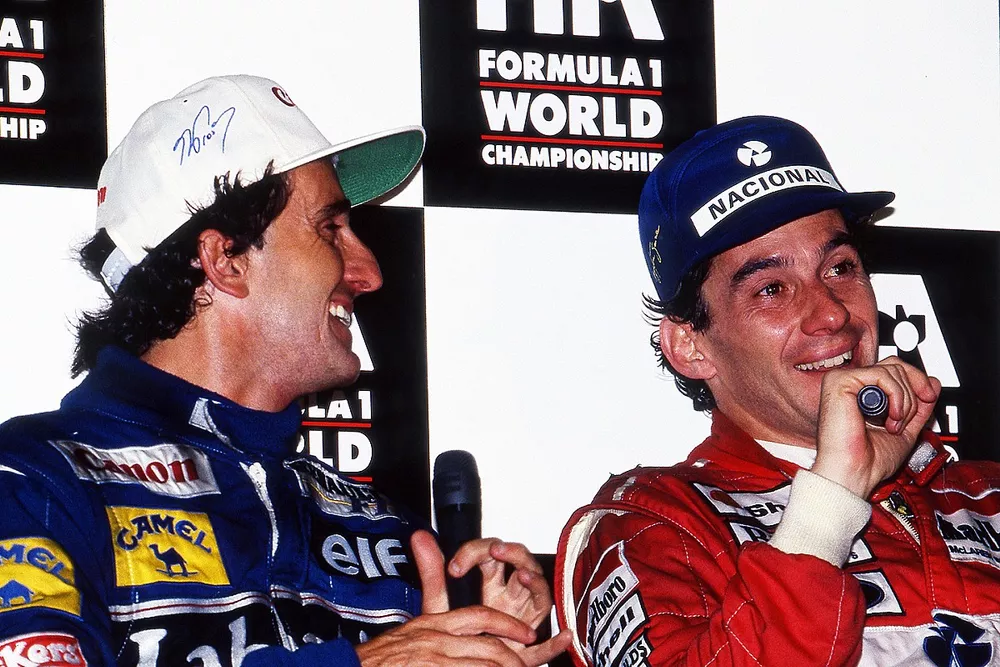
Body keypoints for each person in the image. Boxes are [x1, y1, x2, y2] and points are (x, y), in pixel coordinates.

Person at [0, 74, 569, 666]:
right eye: (330, 229)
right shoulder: (34, 479)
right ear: (226, 261)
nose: (369, 272)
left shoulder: (381, 529)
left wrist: (484, 638)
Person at [555, 115, 1000, 666]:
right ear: (691, 346)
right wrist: (831, 500)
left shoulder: (986, 494)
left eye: (840, 268)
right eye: (771, 288)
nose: (832, 314)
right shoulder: (652, 527)